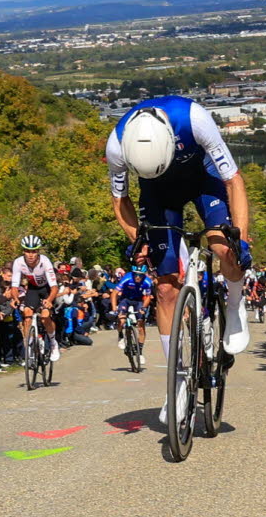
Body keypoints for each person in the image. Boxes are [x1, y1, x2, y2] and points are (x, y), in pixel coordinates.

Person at [106, 95, 252, 424]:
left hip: (204, 179)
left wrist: (239, 237)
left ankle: (234, 305)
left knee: (222, 247)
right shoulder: (116, 144)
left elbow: (233, 180)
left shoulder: (194, 119)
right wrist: (138, 239)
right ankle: (179, 381)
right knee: (165, 288)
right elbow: (120, 201)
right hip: (158, 194)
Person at [6, 235, 61, 362]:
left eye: (34, 251)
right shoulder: (18, 262)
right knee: (27, 313)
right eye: (27, 251)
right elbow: (14, 285)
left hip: (47, 289)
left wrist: (49, 300)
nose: (30, 255)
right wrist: (15, 299)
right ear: (23, 251)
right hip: (33, 289)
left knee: (45, 316)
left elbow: (54, 287)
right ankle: (29, 346)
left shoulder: (45, 261)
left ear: (38, 251)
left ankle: (53, 343)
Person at [111, 263, 153, 366]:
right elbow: (114, 293)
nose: (138, 277)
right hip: (125, 299)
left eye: (140, 275)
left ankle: (140, 352)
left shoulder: (147, 282)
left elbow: (148, 296)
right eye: (136, 275)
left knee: (141, 325)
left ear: (144, 275)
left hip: (138, 300)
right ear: (133, 274)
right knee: (121, 320)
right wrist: (114, 309)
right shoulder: (127, 278)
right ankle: (120, 335)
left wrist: (143, 308)